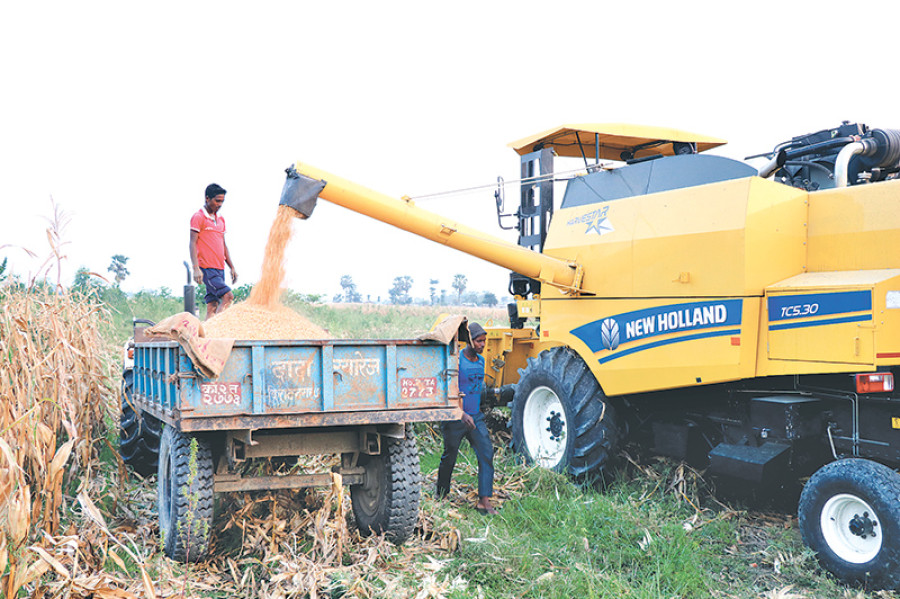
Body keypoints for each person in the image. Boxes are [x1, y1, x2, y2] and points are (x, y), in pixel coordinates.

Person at [436, 322, 497, 514]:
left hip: (475, 417)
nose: (482, 344)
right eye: (479, 341)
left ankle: (484, 501)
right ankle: (441, 495)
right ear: (470, 340)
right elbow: (445, 390)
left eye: (484, 341)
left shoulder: (480, 361)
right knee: (450, 456)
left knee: (486, 453)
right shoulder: (456, 361)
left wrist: (473, 413)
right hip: (456, 418)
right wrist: (460, 414)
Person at [189, 183, 238, 320]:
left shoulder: (220, 219)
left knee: (212, 305)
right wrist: (196, 268)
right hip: (207, 268)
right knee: (228, 296)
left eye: (222, 201)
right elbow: (192, 242)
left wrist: (232, 266)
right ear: (207, 198)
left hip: (219, 268)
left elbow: (223, 244)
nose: (220, 204)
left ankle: (207, 337)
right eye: (217, 201)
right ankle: (218, 331)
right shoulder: (198, 217)